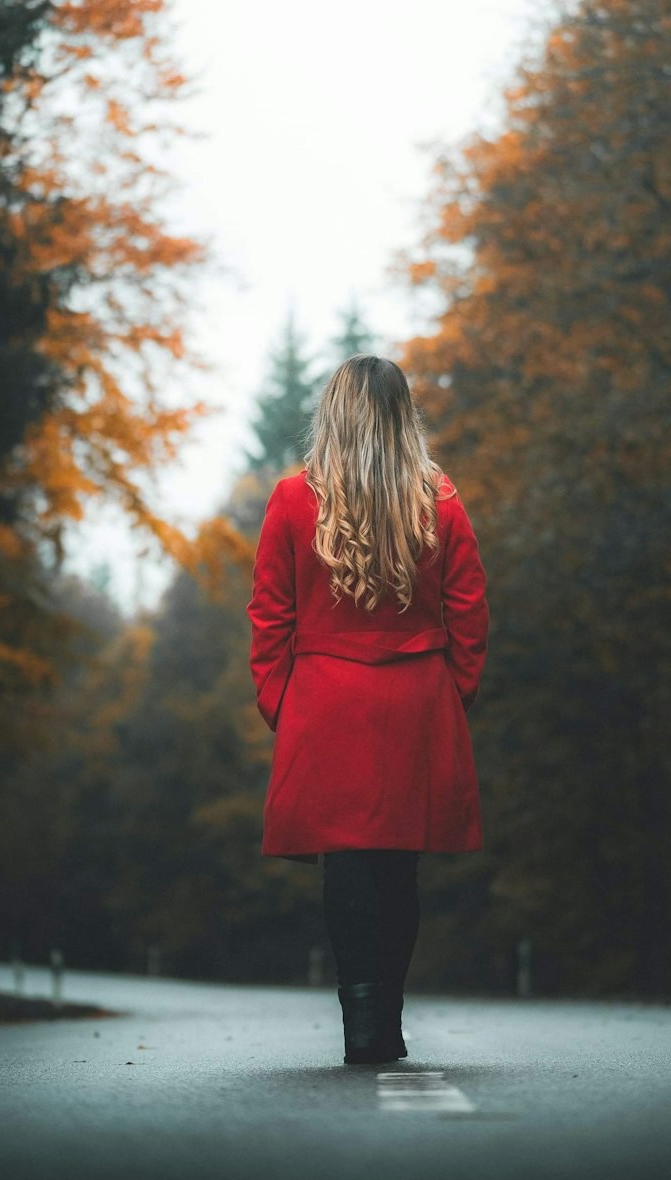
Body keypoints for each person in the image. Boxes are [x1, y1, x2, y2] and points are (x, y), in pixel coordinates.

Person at [246, 354, 489, 1065]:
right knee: (397, 869)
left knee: (346, 865)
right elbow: (469, 614)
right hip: (415, 701)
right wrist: (453, 693)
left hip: (326, 703)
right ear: (399, 417)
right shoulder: (438, 499)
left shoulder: (294, 498)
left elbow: (270, 613)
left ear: (335, 414)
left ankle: (362, 1024)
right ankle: (387, 1021)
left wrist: (280, 702)